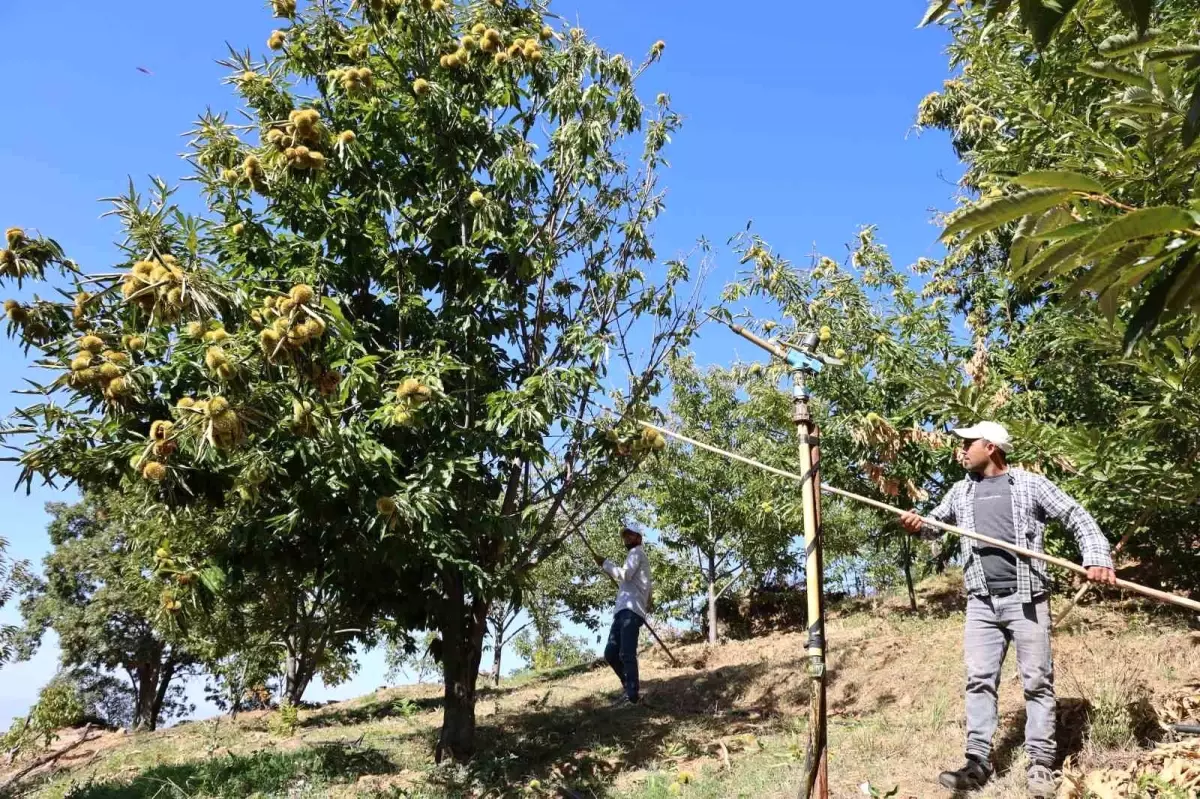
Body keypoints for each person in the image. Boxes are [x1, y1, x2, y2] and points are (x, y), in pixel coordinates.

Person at [899, 421, 1116, 798]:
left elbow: (1076, 516)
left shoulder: (1029, 485)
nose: (961, 451)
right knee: (979, 680)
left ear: (991, 446)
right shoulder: (960, 492)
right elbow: (936, 527)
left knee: (1036, 683)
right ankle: (977, 763)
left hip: (1027, 599)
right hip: (981, 602)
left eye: (968, 444)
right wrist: (918, 525)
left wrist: (1097, 558)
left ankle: (1040, 765)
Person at [594, 520, 652, 707]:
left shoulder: (637, 553)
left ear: (638, 537)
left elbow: (625, 575)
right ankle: (629, 689)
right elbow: (631, 581)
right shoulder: (634, 557)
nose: (627, 537)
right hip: (623, 610)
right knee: (611, 653)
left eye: (630, 534)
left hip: (631, 610)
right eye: (625, 535)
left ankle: (633, 695)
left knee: (626, 653)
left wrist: (606, 564)